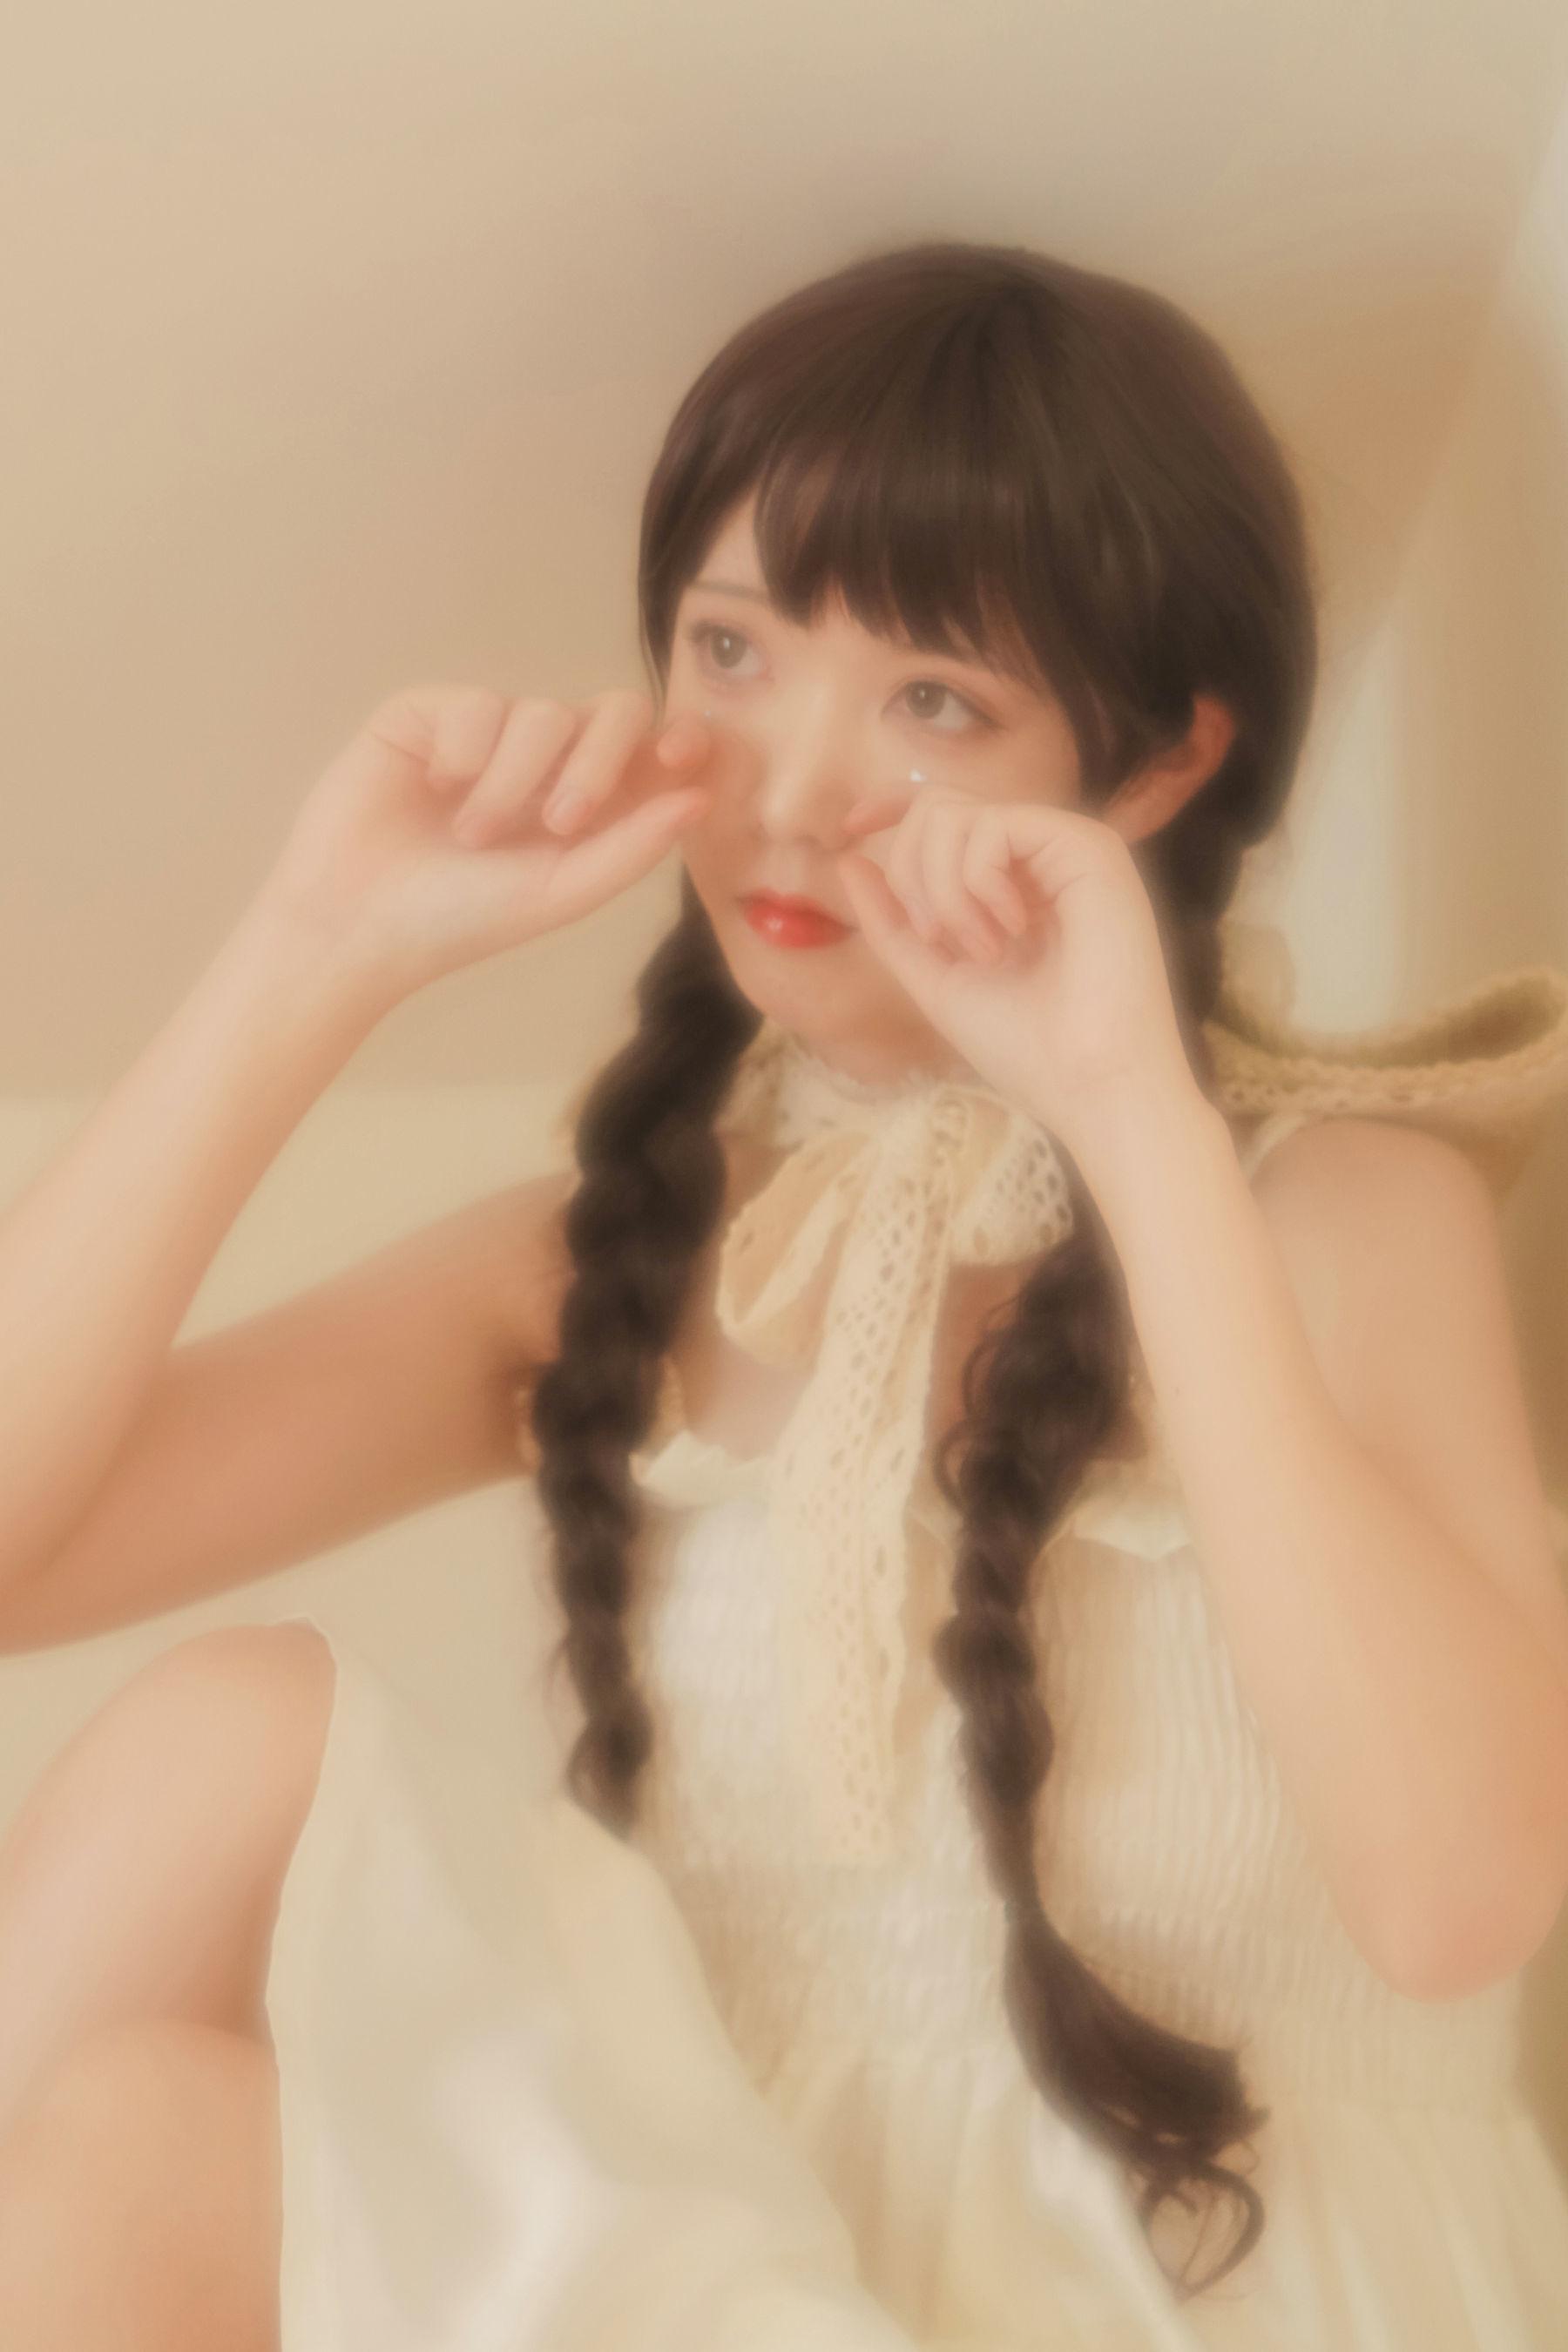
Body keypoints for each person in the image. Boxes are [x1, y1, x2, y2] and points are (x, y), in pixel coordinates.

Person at [1, 238, 1567, 2349]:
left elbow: (1462, 1899)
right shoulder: (636, 1258)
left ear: (1156, 767)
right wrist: (315, 945)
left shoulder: (1337, 1212)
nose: (793, 790)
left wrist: (1129, 1118)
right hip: (741, 2292)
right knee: (209, 1825)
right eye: (731, 650)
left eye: (934, 699)